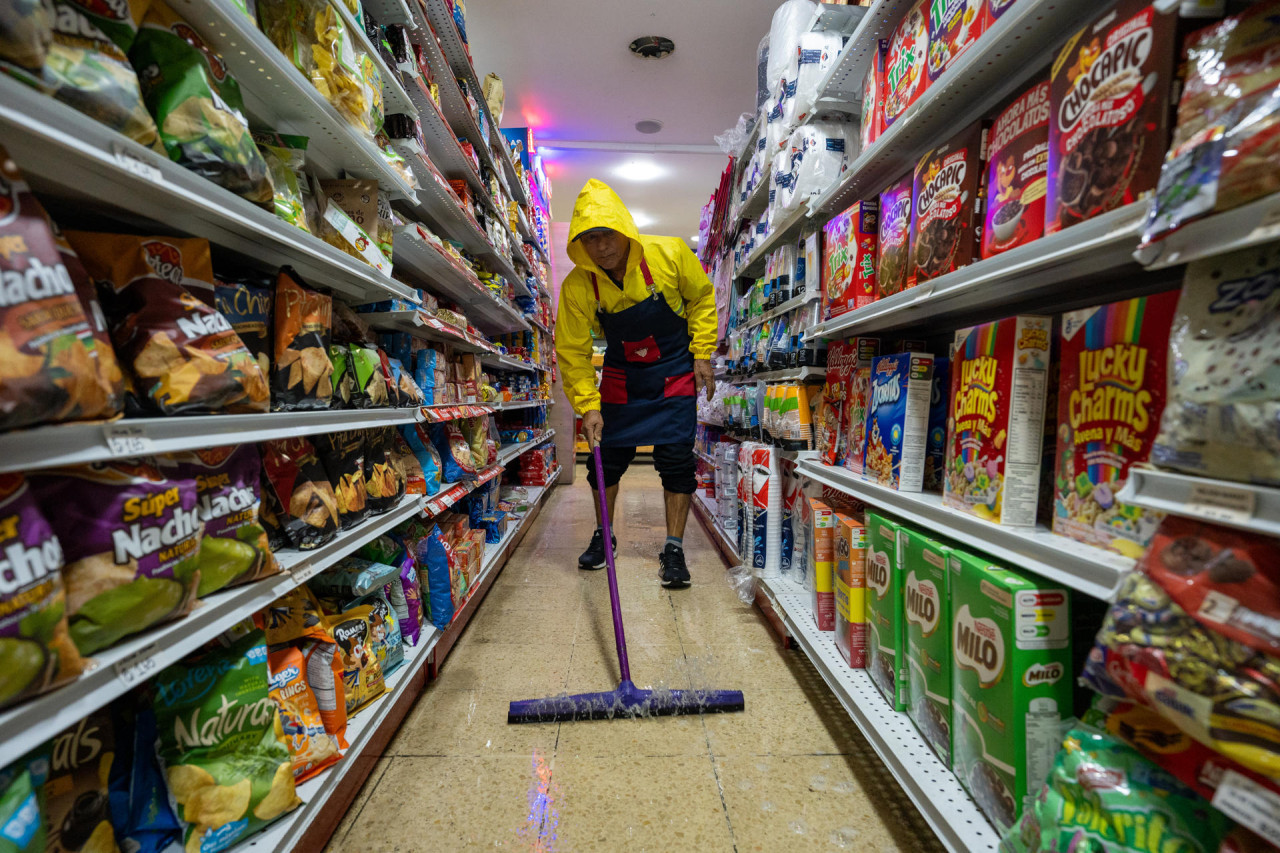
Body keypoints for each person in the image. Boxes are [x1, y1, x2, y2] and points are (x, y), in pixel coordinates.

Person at [556, 179, 717, 589]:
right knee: (604, 459)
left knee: (676, 461)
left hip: (674, 370)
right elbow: (572, 350)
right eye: (589, 239)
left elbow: (701, 297)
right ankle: (603, 534)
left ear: (624, 228)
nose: (601, 247)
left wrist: (702, 352)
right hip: (622, 376)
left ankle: (675, 548)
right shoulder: (578, 285)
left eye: (607, 234)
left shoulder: (670, 253)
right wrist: (587, 405)